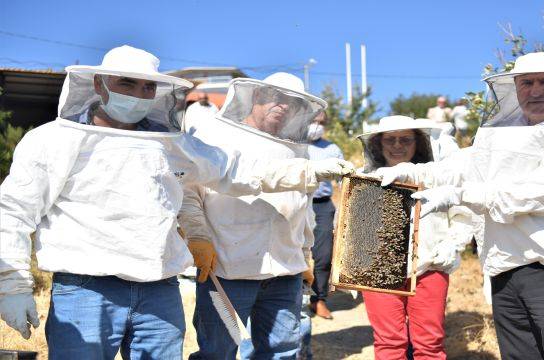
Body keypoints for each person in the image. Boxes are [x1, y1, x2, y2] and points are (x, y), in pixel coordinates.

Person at [0, 46, 354, 359]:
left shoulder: (170, 144)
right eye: (127, 83)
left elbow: (235, 170)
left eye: (148, 86)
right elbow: (13, 211)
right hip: (87, 289)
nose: (139, 94)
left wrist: (307, 171)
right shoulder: (52, 141)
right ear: (99, 84)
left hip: (160, 289)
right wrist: (12, 284)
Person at [377, 52, 544, 359]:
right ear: (515, 87)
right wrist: (412, 172)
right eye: (526, 82)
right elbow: (463, 166)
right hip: (505, 270)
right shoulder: (502, 133)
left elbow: (541, 194)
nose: (536, 90)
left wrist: (458, 196)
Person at [178, 72, 340, 360]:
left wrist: (304, 253)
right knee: (218, 351)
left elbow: (302, 208)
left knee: (282, 352)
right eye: (274, 97)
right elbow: (189, 192)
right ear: (256, 96)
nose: (283, 106)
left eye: (292, 102)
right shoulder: (214, 134)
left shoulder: (296, 148)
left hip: (284, 273)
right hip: (227, 271)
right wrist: (198, 236)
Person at [357, 115, 474, 360]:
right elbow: (353, 228)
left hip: (430, 267)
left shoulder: (436, 175)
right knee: (389, 342)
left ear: (417, 143)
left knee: (429, 343)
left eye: (405, 139)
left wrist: (453, 245)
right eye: (390, 139)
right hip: (379, 271)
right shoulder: (365, 179)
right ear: (378, 144)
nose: (397, 145)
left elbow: (462, 214)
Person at [306, 110, 344, 319]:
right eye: (313, 121)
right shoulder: (294, 145)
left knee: (323, 255)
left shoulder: (332, 148)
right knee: (295, 254)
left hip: (322, 206)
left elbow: (342, 179)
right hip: (297, 204)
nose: (316, 126)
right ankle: (293, 298)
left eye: (320, 122)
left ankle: (318, 299)